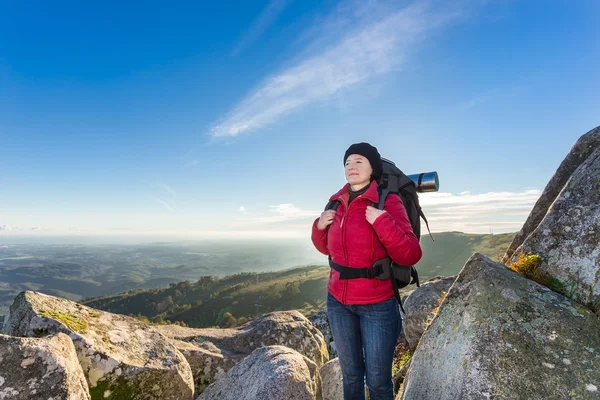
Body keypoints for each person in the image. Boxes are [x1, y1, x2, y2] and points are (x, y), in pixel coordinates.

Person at [311, 142, 422, 400]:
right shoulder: (335, 203)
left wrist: (382, 222)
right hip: (338, 302)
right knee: (350, 375)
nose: (352, 166)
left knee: (378, 381)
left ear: (373, 168)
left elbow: (410, 253)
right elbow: (326, 249)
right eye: (348, 163)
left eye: (359, 161)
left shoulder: (388, 201)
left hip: (377, 305)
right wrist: (318, 226)